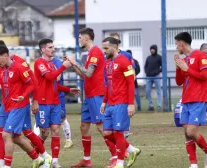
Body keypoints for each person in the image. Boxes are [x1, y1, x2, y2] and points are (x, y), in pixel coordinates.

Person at [0, 40, 51, 168]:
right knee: (7, 133)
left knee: (24, 132)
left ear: (5, 53)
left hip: (20, 103)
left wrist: (35, 101)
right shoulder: (2, 66)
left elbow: (33, 82)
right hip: (7, 104)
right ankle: (1, 162)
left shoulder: (20, 63)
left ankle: (44, 156)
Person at [68, 28, 116, 168]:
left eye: (79, 37)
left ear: (86, 38)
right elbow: (85, 76)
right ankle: (86, 160)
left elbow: (88, 73)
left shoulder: (95, 52)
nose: (79, 40)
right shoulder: (89, 54)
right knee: (84, 126)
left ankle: (116, 156)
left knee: (101, 126)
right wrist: (73, 66)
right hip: (89, 95)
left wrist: (76, 63)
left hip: (96, 94)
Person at [34, 39, 80, 168]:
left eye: (53, 47)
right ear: (43, 49)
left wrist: (68, 90)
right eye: (50, 47)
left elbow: (54, 84)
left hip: (55, 103)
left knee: (55, 130)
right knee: (44, 133)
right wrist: (64, 66)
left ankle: (54, 161)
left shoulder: (53, 65)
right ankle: (36, 157)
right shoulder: (39, 62)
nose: (53, 49)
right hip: (43, 103)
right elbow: (49, 77)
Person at [101, 37, 141, 168]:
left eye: (106, 48)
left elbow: (131, 83)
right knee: (106, 133)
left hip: (122, 103)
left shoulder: (124, 61)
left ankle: (120, 163)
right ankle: (131, 150)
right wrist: (104, 101)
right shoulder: (107, 63)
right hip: (110, 104)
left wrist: (130, 104)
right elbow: (108, 84)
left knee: (118, 133)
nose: (104, 51)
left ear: (114, 47)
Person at [174, 32, 207, 168]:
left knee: (191, 131)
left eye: (177, 44)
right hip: (186, 100)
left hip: (198, 99)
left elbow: (203, 76)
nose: (176, 47)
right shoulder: (185, 60)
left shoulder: (200, 55)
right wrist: (178, 68)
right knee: (186, 133)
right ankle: (193, 165)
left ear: (182, 44)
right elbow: (178, 82)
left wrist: (187, 69)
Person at [52, 57, 73, 148]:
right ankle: (36, 140)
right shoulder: (41, 62)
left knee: (62, 117)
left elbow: (57, 78)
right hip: (46, 95)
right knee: (40, 118)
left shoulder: (57, 62)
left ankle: (68, 140)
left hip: (58, 94)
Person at [144, 45, 162, 112]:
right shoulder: (148, 58)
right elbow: (145, 66)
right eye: (151, 49)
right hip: (149, 77)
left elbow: (163, 66)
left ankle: (159, 106)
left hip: (156, 76)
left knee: (158, 91)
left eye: (153, 49)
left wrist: (157, 71)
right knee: (147, 91)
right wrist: (146, 72)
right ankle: (151, 106)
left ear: (155, 49)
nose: (152, 50)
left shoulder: (159, 57)